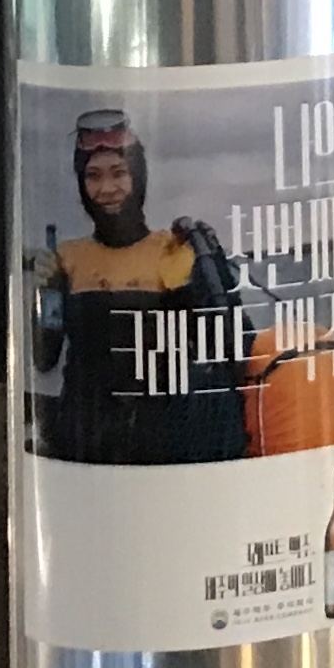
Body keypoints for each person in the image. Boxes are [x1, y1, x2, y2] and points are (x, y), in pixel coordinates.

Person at [27, 108, 254, 463]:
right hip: (86, 440)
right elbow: (44, 360)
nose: (107, 189)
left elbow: (234, 348)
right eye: (93, 176)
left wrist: (197, 282)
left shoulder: (173, 250)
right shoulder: (67, 258)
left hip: (164, 440)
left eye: (119, 173)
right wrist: (43, 295)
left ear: (138, 177)